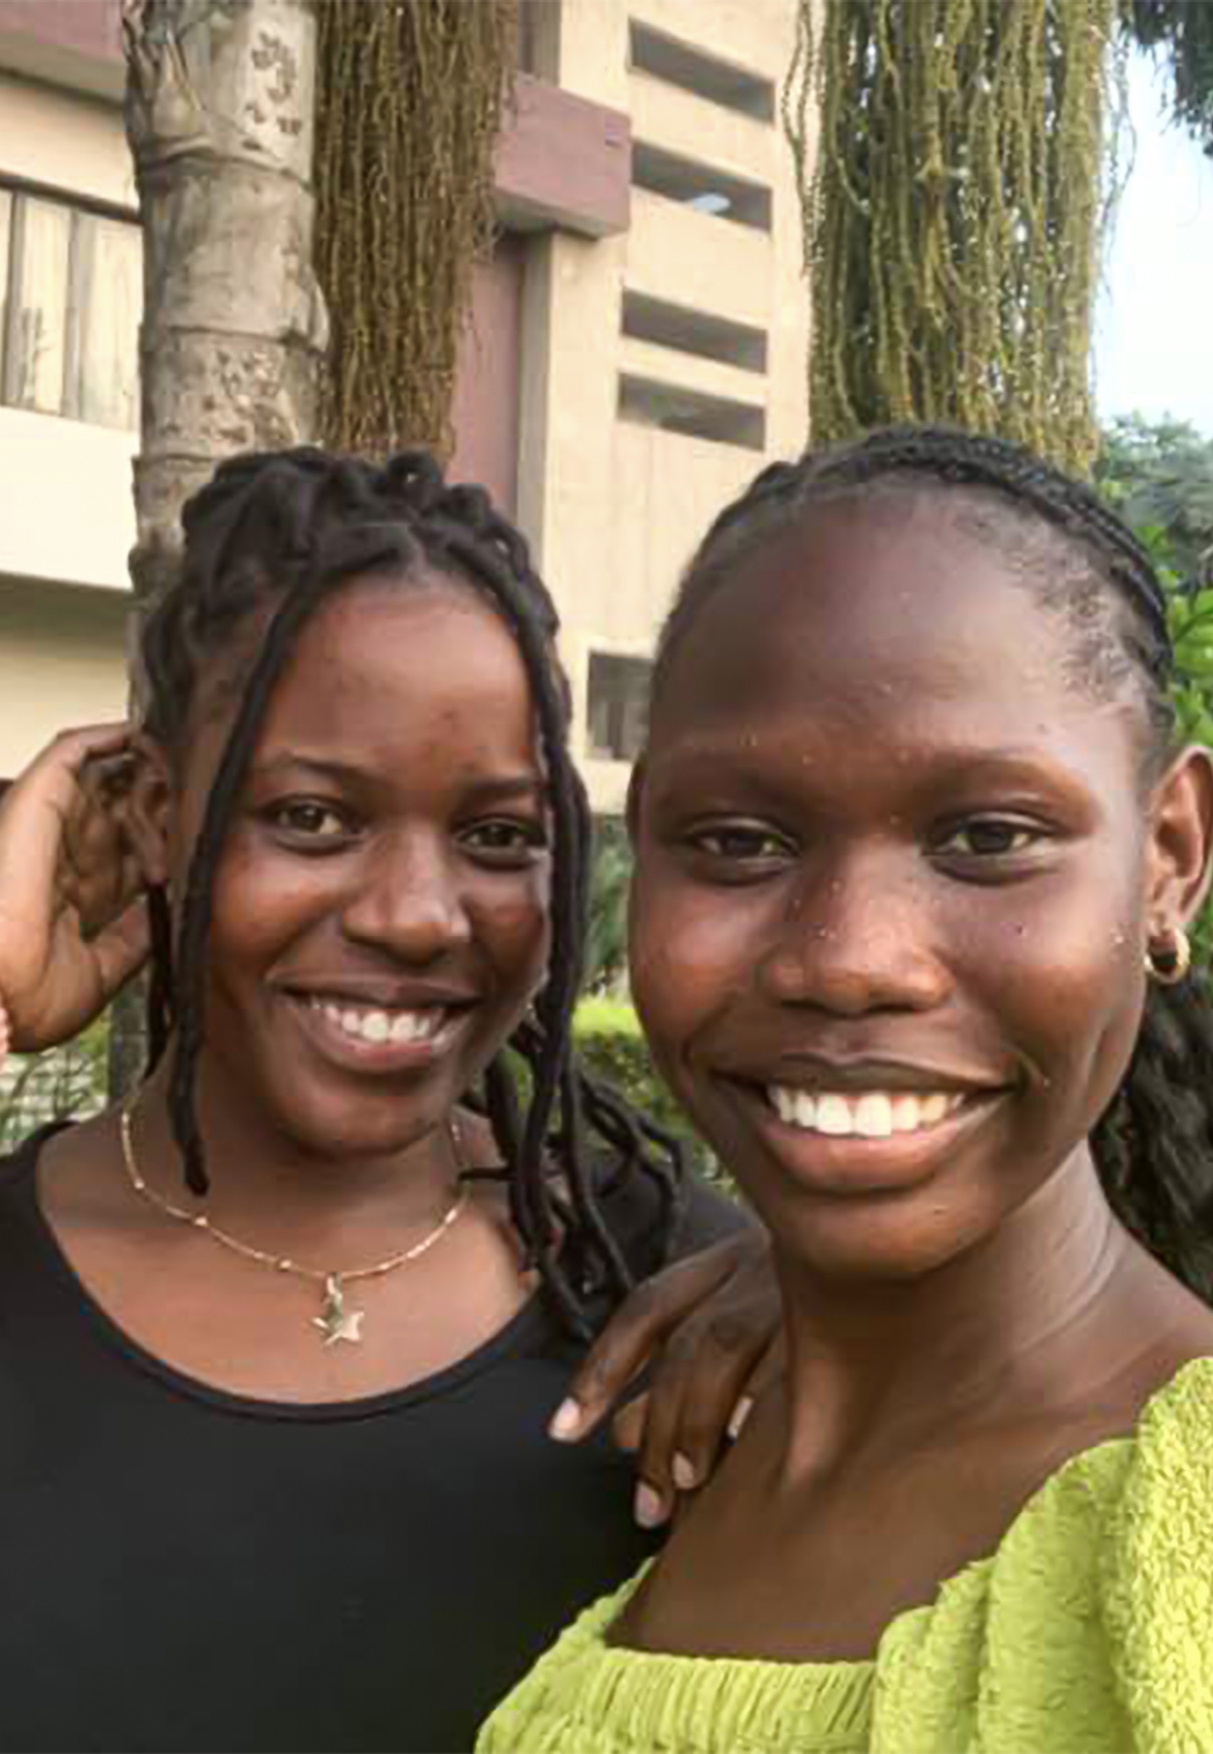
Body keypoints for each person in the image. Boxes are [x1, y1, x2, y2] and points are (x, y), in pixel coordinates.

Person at [0, 449, 780, 1754]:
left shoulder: (679, 1298)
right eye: (312, 817)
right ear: (153, 814)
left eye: (497, 836)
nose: (417, 917)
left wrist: (839, 1306)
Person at [480, 426, 1213, 1753]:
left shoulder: (1206, 1534)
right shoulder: (667, 1447)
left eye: (988, 837)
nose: (846, 960)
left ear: (1167, 858)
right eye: (737, 841)